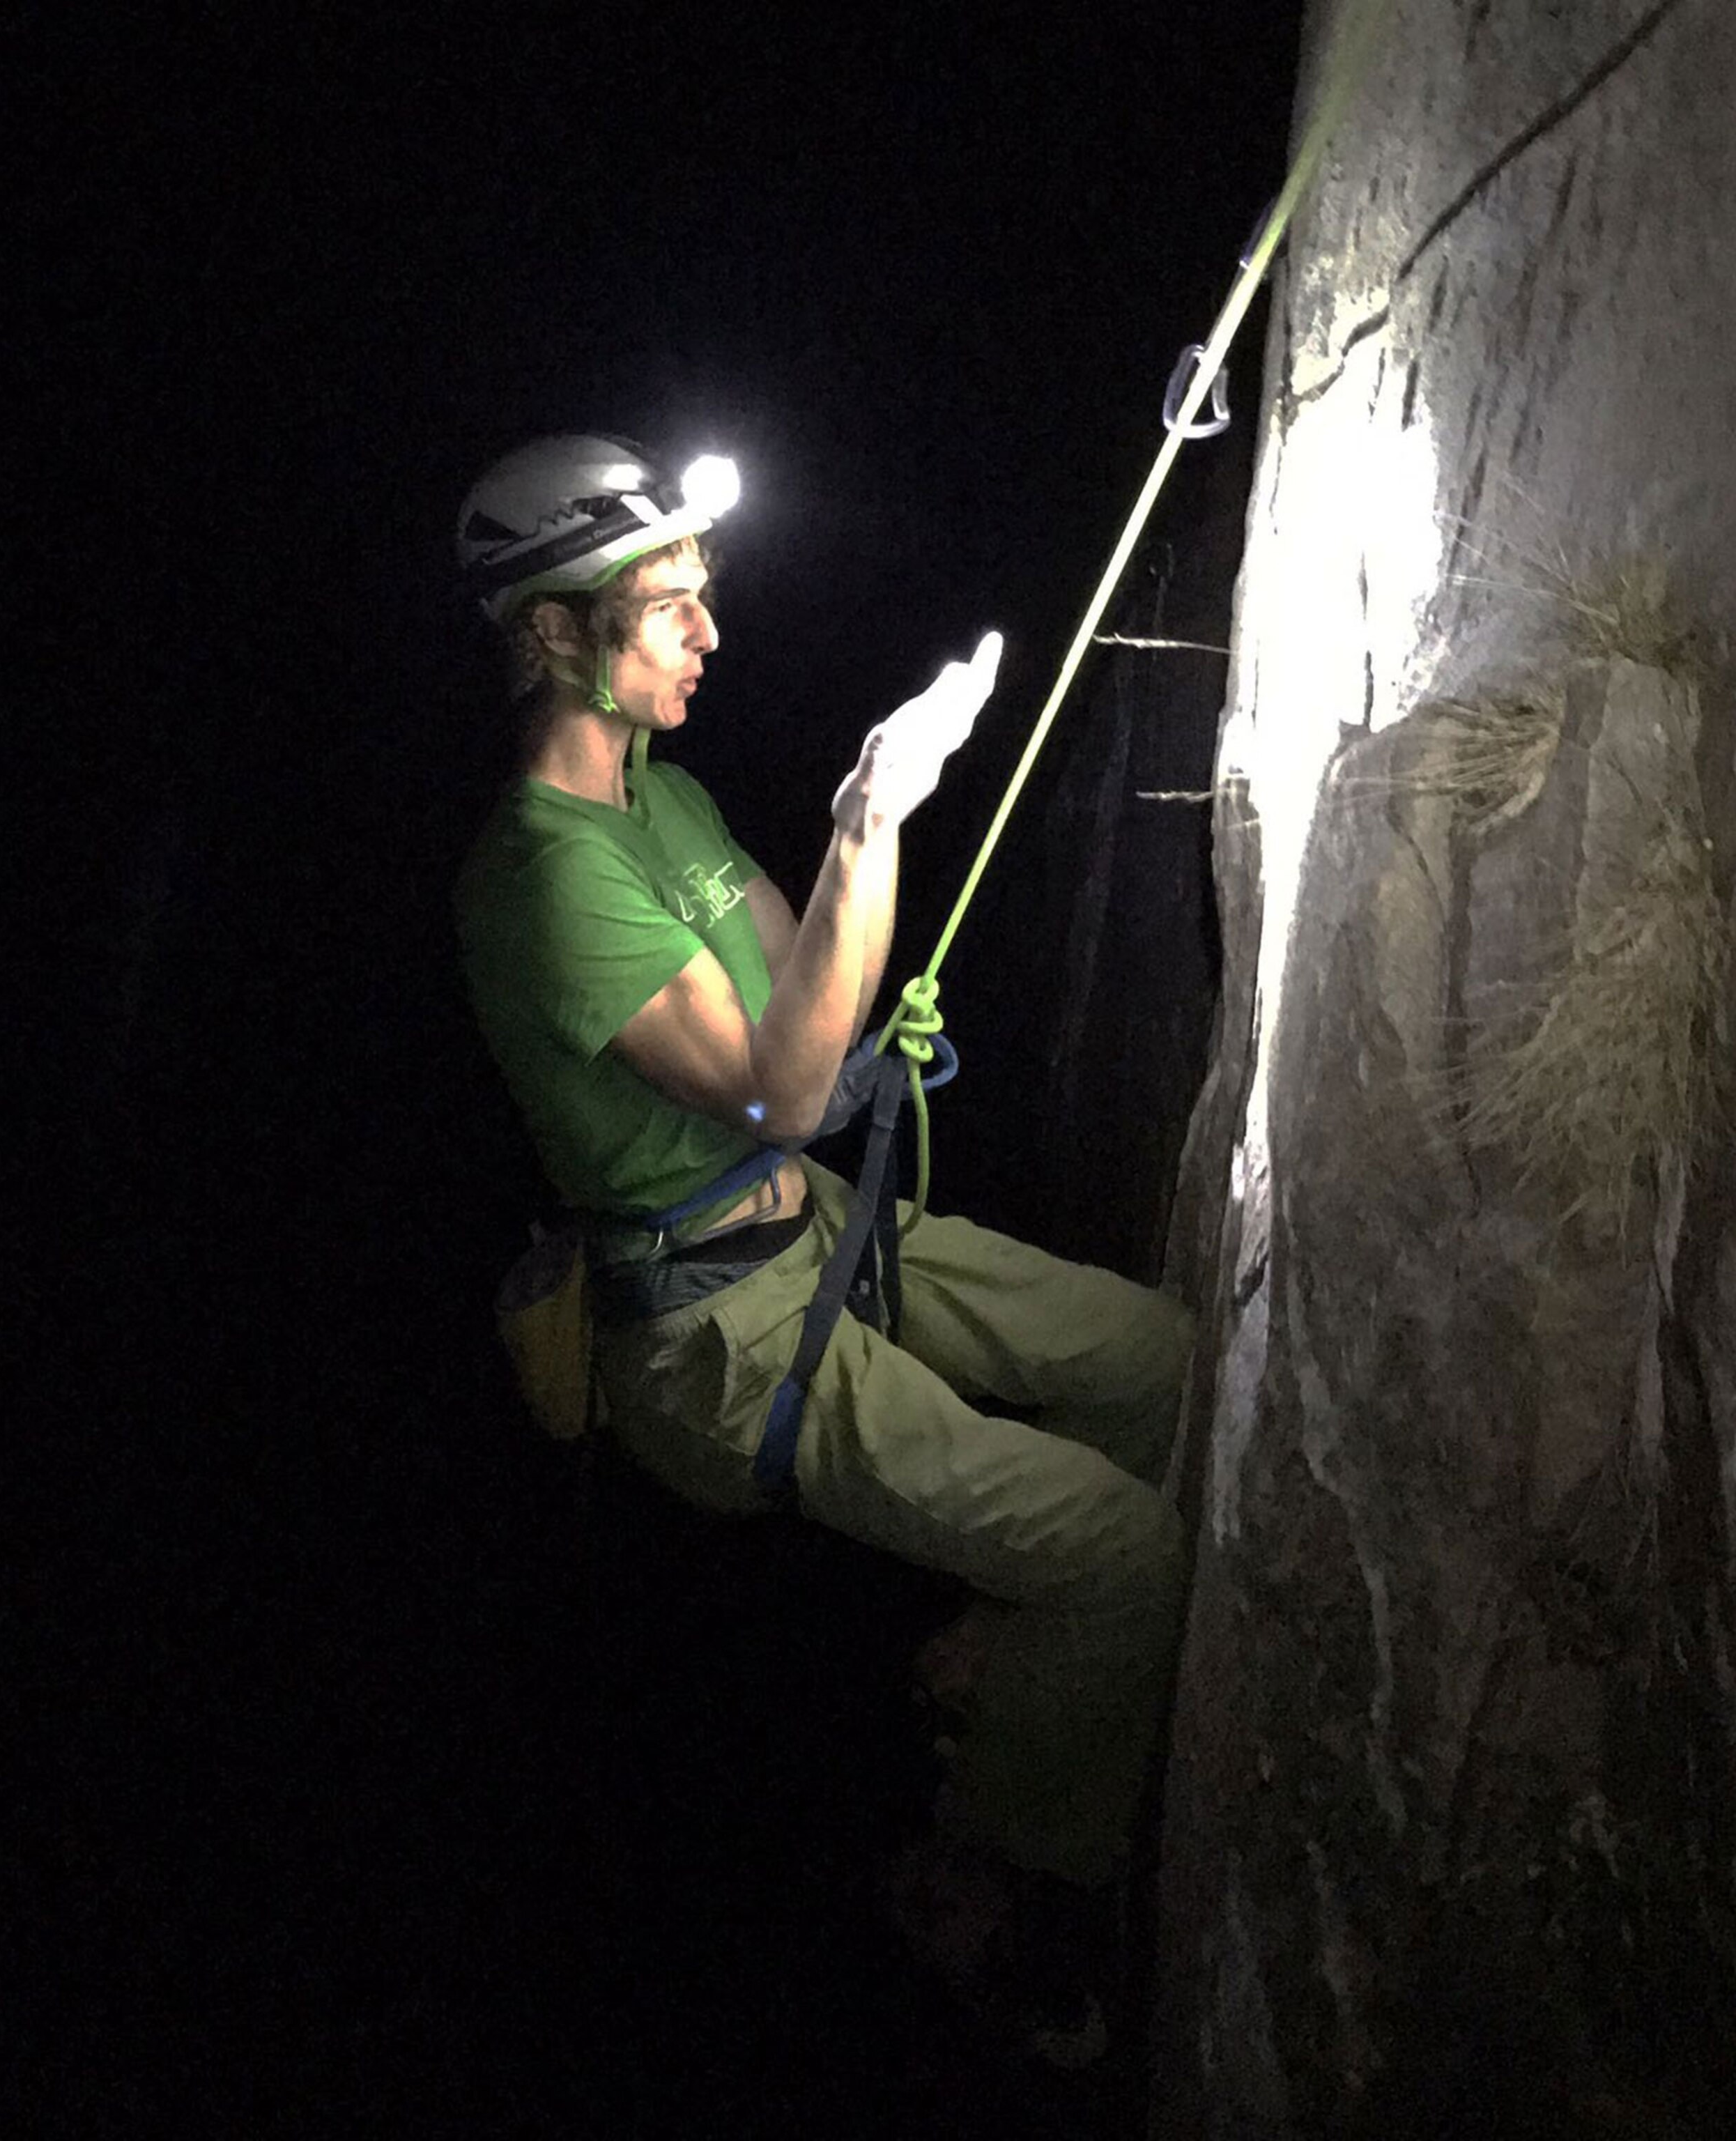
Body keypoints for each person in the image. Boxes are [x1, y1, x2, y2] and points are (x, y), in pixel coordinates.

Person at [452, 433, 1190, 2059]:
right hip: (718, 1341)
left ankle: (1008, 1671)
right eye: (669, 610)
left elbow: (808, 1001)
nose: (710, 638)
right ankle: (1007, 1879)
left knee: (1160, 1361)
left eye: (706, 600)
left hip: (828, 1231)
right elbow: (786, 1086)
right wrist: (873, 817)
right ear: (557, 637)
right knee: (1124, 1552)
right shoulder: (538, 879)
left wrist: (855, 993)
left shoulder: (673, 797)